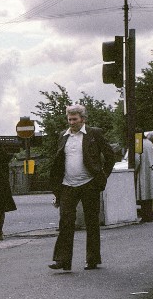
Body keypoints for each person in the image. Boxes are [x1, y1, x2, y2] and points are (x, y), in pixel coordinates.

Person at [48, 104, 117, 271]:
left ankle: (92, 259)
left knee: (91, 222)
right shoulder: (62, 136)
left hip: (89, 183)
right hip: (67, 185)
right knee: (65, 221)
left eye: (75, 119)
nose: (71, 122)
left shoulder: (94, 134)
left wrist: (102, 177)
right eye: (69, 119)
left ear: (83, 119)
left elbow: (110, 156)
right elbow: (59, 162)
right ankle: (62, 260)